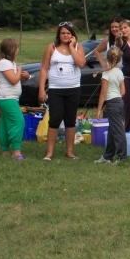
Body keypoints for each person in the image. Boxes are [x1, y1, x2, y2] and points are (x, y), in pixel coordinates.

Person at [38, 22, 86, 160]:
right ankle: (49, 152)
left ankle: (70, 151)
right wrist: (41, 89)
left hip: (73, 88)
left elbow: (81, 64)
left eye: (68, 33)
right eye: (63, 33)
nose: (65, 35)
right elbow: (44, 69)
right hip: (55, 90)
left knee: (70, 120)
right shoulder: (51, 47)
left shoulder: (78, 47)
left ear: (73, 35)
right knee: (55, 119)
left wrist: (71, 47)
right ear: (59, 35)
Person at [0, 38, 30, 160]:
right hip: (6, 98)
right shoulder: (4, 63)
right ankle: (16, 150)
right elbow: (14, 80)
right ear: (11, 49)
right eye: (16, 48)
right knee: (18, 121)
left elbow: (16, 79)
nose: (18, 50)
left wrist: (26, 76)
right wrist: (19, 70)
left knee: (5, 123)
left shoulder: (10, 63)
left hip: (9, 98)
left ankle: (4, 150)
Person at [95, 47, 127, 164]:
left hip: (112, 103)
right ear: (119, 60)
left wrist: (99, 109)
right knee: (113, 130)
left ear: (107, 59)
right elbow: (123, 91)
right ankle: (108, 156)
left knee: (118, 131)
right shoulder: (120, 72)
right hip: (119, 102)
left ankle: (123, 158)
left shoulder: (106, 73)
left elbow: (103, 93)